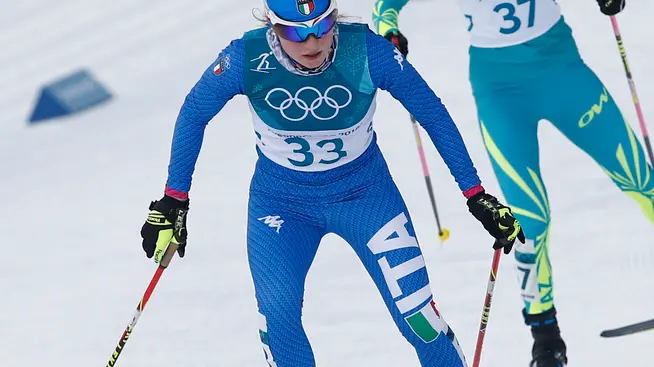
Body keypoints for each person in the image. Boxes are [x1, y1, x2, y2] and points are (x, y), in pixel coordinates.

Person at [139, 0, 524, 366]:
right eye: (295, 33)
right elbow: (193, 113)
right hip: (282, 204)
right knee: (278, 318)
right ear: (273, 27)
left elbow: (432, 113)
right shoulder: (245, 58)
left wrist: (475, 194)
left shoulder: (367, 52)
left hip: (365, 196)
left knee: (417, 316)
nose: (312, 43)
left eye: (322, 26)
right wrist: (174, 200)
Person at [373, 0, 648, 366]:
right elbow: (385, 5)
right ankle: (545, 337)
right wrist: (388, 30)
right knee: (530, 220)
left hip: (563, 71)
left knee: (642, 179)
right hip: (500, 92)